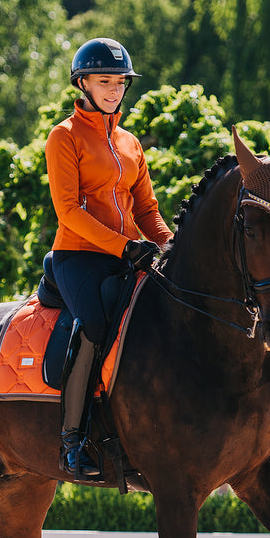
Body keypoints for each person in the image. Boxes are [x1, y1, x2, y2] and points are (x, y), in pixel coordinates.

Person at [45, 37, 174, 478]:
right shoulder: (64, 137)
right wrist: (124, 247)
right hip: (78, 256)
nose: (115, 89)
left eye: (121, 82)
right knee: (95, 326)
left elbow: (147, 210)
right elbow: (69, 212)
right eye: (105, 81)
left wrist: (170, 246)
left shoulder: (131, 143)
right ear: (83, 84)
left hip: (128, 254)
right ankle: (72, 441)